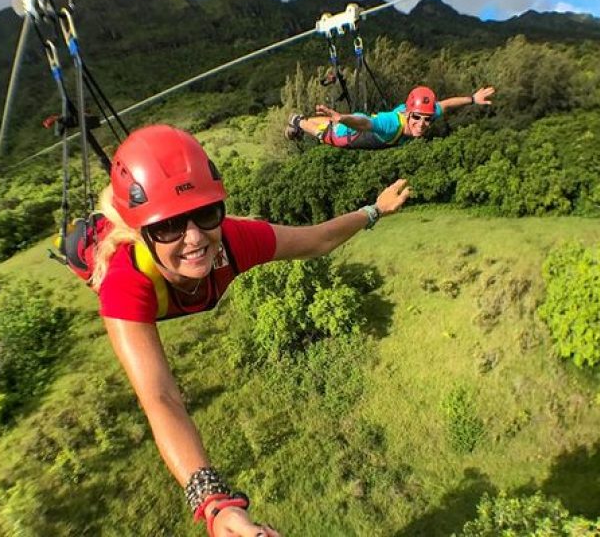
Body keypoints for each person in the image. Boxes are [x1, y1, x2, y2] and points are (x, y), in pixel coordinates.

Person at [81, 124, 411, 537]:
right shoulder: (127, 281)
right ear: (144, 231)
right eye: (169, 227)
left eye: (205, 213)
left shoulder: (233, 241)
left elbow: (317, 240)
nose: (195, 239)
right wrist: (214, 504)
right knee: (83, 242)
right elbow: (160, 396)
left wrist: (374, 210)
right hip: (109, 257)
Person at [285, 85, 495, 150]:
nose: (422, 125)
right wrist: (342, 119)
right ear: (408, 113)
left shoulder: (423, 113)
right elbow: (366, 124)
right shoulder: (392, 124)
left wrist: (472, 99)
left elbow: (446, 105)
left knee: (328, 122)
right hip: (349, 132)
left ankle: (301, 121)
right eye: (417, 118)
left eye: (427, 120)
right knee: (324, 132)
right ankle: (298, 122)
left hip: (357, 121)